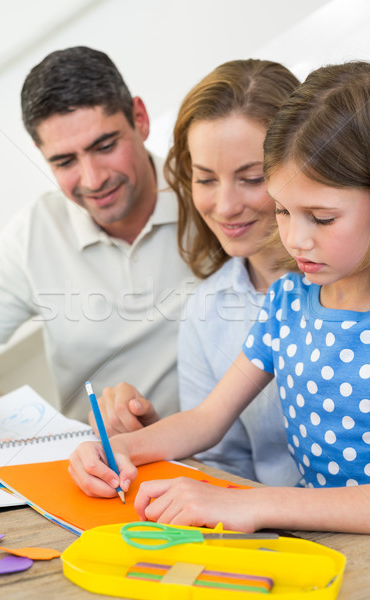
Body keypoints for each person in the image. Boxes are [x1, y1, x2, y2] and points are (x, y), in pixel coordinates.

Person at [69, 61, 370, 534]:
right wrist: (123, 448)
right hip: (324, 549)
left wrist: (256, 505)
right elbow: (208, 419)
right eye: (285, 211)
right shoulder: (289, 300)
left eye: (322, 218)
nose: (295, 239)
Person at [92, 59, 300, 485]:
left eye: (252, 178)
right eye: (206, 179)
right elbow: (225, 468)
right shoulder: (207, 310)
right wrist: (152, 437)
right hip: (282, 539)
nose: (224, 207)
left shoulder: (347, 288)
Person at [0, 46, 194, 425]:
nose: (93, 180)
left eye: (105, 147)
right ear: (41, 154)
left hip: (220, 462)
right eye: (65, 161)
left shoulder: (212, 198)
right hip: (98, 466)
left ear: (139, 118)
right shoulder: (33, 233)